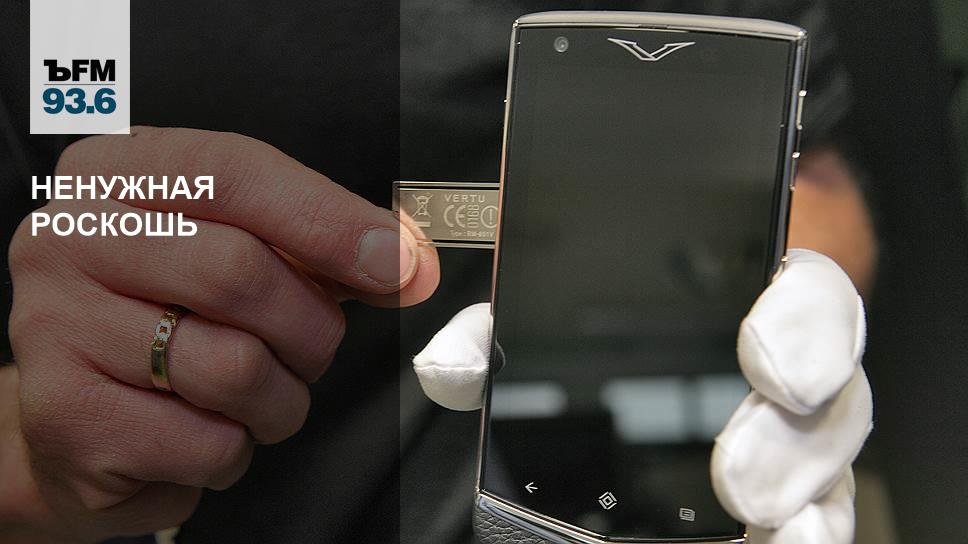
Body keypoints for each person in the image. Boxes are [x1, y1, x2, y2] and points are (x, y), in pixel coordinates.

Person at [0, 1, 962, 543]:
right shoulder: (68, 25)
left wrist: (785, 326)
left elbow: (811, 159)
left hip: (635, 497)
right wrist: (45, 464)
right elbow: (48, 211)